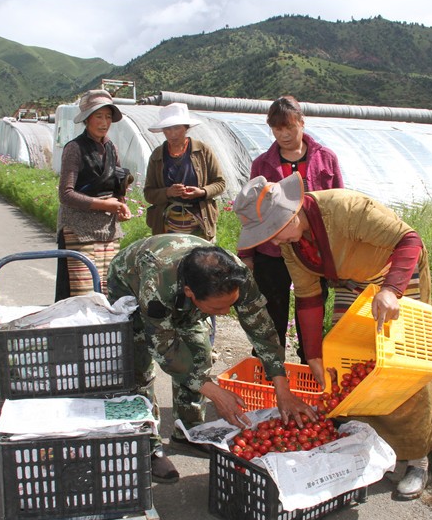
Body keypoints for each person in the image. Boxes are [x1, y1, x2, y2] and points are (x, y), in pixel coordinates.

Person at [233, 173, 432, 500]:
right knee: (350, 364)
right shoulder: (291, 245)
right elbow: (309, 297)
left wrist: (390, 290)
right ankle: (368, 444)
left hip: (396, 275)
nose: (274, 241)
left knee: (402, 364)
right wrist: (314, 355)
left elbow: (409, 241)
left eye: (274, 230)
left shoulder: (345, 208)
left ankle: (417, 458)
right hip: (352, 283)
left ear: (291, 211)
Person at [106, 234, 319, 484]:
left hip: (183, 289)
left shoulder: (236, 274)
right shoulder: (157, 287)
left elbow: (261, 329)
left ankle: (189, 431)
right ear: (190, 293)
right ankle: (147, 447)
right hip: (130, 284)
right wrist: (215, 393)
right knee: (139, 367)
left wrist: (282, 388)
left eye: (230, 305)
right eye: (218, 309)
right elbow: (163, 347)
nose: (226, 312)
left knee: (199, 352)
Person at [237, 96, 343, 361]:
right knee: (271, 314)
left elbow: (338, 204)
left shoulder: (326, 158)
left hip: (313, 249)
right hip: (273, 251)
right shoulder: (262, 164)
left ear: (302, 123)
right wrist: (247, 255)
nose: (284, 134)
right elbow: (253, 210)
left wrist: (335, 253)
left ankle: (309, 365)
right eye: (277, 129)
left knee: (312, 311)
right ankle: (270, 369)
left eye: (289, 127)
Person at [55, 89, 133, 301]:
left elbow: (117, 184)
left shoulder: (111, 148)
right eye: (99, 116)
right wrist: (104, 205)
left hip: (108, 230)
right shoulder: (75, 148)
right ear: (87, 119)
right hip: (79, 230)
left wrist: (122, 205)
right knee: (85, 294)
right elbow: (66, 194)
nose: (104, 122)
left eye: (108, 117)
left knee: (109, 290)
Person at [144, 102, 226, 242]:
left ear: (186, 128)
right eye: (167, 129)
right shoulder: (157, 155)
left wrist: (202, 192)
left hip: (200, 223)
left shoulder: (202, 151)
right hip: (167, 225)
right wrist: (168, 192)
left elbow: (220, 183)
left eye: (177, 128)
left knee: (200, 255)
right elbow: (149, 194)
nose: (172, 134)